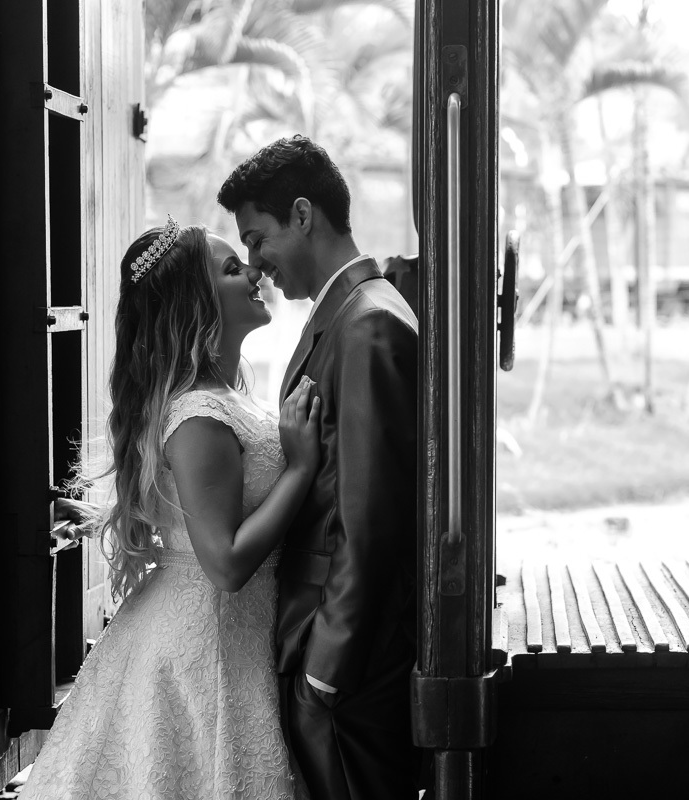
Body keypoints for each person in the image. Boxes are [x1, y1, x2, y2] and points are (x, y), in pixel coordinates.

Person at [23, 216, 320, 799]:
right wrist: (302, 468)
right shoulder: (198, 417)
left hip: (232, 636)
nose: (254, 272)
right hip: (203, 644)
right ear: (196, 303)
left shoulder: (228, 397)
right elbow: (225, 564)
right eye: (232, 269)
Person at [218, 135, 420, 800]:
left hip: (344, 667)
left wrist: (323, 673)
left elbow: (372, 520)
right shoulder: (345, 314)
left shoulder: (367, 325)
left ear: (303, 214)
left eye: (257, 239)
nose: (256, 263)